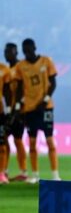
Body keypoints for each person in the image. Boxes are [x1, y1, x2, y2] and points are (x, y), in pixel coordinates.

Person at [14, 39, 60, 183]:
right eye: (24, 50)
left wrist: (45, 99)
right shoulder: (21, 66)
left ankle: (55, 175)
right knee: (32, 142)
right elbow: (20, 87)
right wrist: (19, 105)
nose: (27, 52)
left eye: (29, 49)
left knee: (49, 140)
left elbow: (53, 82)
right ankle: (35, 175)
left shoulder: (46, 61)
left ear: (34, 47)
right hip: (30, 109)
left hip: (46, 108)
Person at [3, 43, 27, 181]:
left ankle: (23, 171)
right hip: (7, 110)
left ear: (16, 52)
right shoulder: (6, 69)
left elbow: (26, 88)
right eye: (6, 52)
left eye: (10, 52)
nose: (7, 54)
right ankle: (4, 170)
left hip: (19, 110)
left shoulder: (22, 67)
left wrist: (19, 107)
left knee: (18, 140)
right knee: (4, 139)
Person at [0, 55, 10, 184]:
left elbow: (7, 91)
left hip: (0, 112)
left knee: (2, 146)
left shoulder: (3, 69)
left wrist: (7, 109)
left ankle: (1, 173)